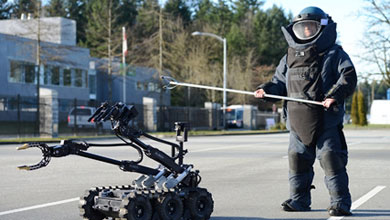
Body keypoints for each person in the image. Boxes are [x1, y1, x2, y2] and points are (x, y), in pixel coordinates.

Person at [254, 6, 357, 216]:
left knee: (330, 158)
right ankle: (299, 200)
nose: (307, 31)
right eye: (303, 28)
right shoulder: (288, 58)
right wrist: (265, 91)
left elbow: (348, 77)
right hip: (297, 121)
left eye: (311, 27)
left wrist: (333, 96)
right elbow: (278, 84)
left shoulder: (334, 53)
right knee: (297, 159)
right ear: (295, 30)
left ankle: (340, 203)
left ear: (322, 27)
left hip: (326, 121)